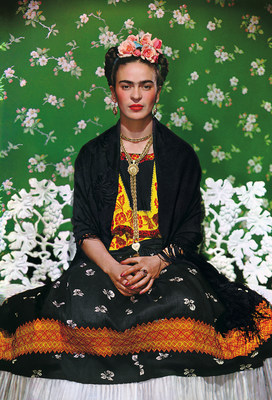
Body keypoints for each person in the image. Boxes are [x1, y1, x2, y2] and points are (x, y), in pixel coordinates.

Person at [1, 32, 272, 400]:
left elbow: (191, 230)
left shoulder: (180, 155)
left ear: (158, 91)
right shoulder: (92, 155)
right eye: (126, 85)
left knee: (181, 309)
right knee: (78, 310)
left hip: (166, 262)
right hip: (102, 263)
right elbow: (83, 229)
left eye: (146, 86)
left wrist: (157, 263)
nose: (135, 95)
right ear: (113, 91)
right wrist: (113, 269)